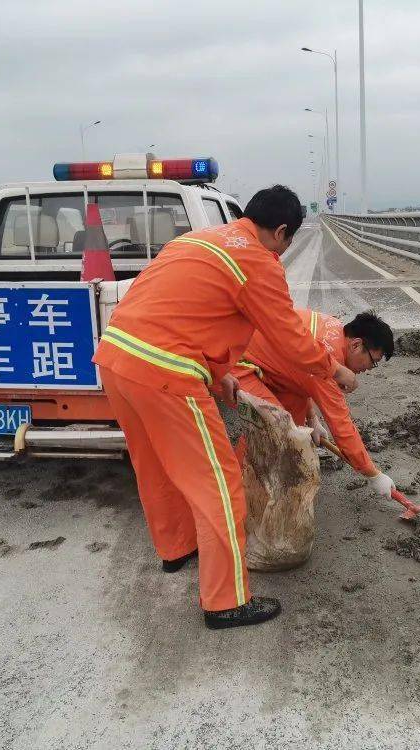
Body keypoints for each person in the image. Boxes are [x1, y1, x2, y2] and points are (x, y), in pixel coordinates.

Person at [93, 185, 358, 630]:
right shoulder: (257, 261)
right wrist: (334, 369)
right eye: (287, 241)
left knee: (155, 465)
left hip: (116, 360)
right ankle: (225, 602)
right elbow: (289, 338)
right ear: (280, 232)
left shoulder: (196, 240)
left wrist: (220, 375)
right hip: (166, 373)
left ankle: (176, 550)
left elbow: (185, 313)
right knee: (220, 479)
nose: (283, 250)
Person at [231, 309, 398, 499]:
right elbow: (342, 427)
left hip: (272, 365)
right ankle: (237, 487)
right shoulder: (329, 362)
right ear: (356, 344)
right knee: (272, 424)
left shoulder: (336, 329)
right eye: (373, 361)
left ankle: (268, 478)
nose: (368, 369)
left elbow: (302, 378)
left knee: (294, 420)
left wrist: (312, 419)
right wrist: (373, 474)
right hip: (237, 361)